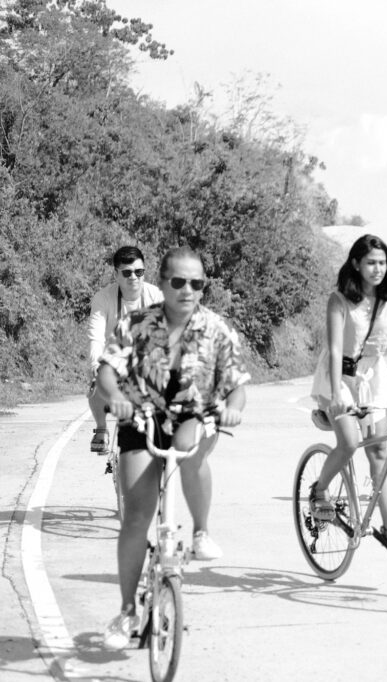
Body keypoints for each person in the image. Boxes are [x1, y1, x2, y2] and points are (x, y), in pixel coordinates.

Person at [96, 247, 249, 649]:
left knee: (190, 445)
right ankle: (127, 612)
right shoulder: (136, 324)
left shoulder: (218, 329)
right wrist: (116, 398)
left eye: (196, 283)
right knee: (136, 516)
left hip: (195, 417)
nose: (187, 290)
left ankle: (200, 531)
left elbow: (236, 384)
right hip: (142, 419)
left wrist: (233, 408)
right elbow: (107, 373)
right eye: (178, 282)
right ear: (161, 283)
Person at [309, 234, 387, 543]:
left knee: (380, 450)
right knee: (350, 443)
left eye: (382, 263)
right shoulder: (339, 299)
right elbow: (336, 348)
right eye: (371, 263)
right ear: (356, 264)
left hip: (373, 376)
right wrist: (338, 395)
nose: (378, 269)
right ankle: (319, 491)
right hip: (339, 376)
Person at [86, 246, 163, 454]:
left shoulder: (155, 295)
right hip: (112, 358)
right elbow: (96, 337)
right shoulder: (103, 298)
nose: (134, 278)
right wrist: (95, 365)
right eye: (127, 273)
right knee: (97, 379)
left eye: (139, 272)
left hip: (144, 358)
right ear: (116, 274)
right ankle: (101, 429)